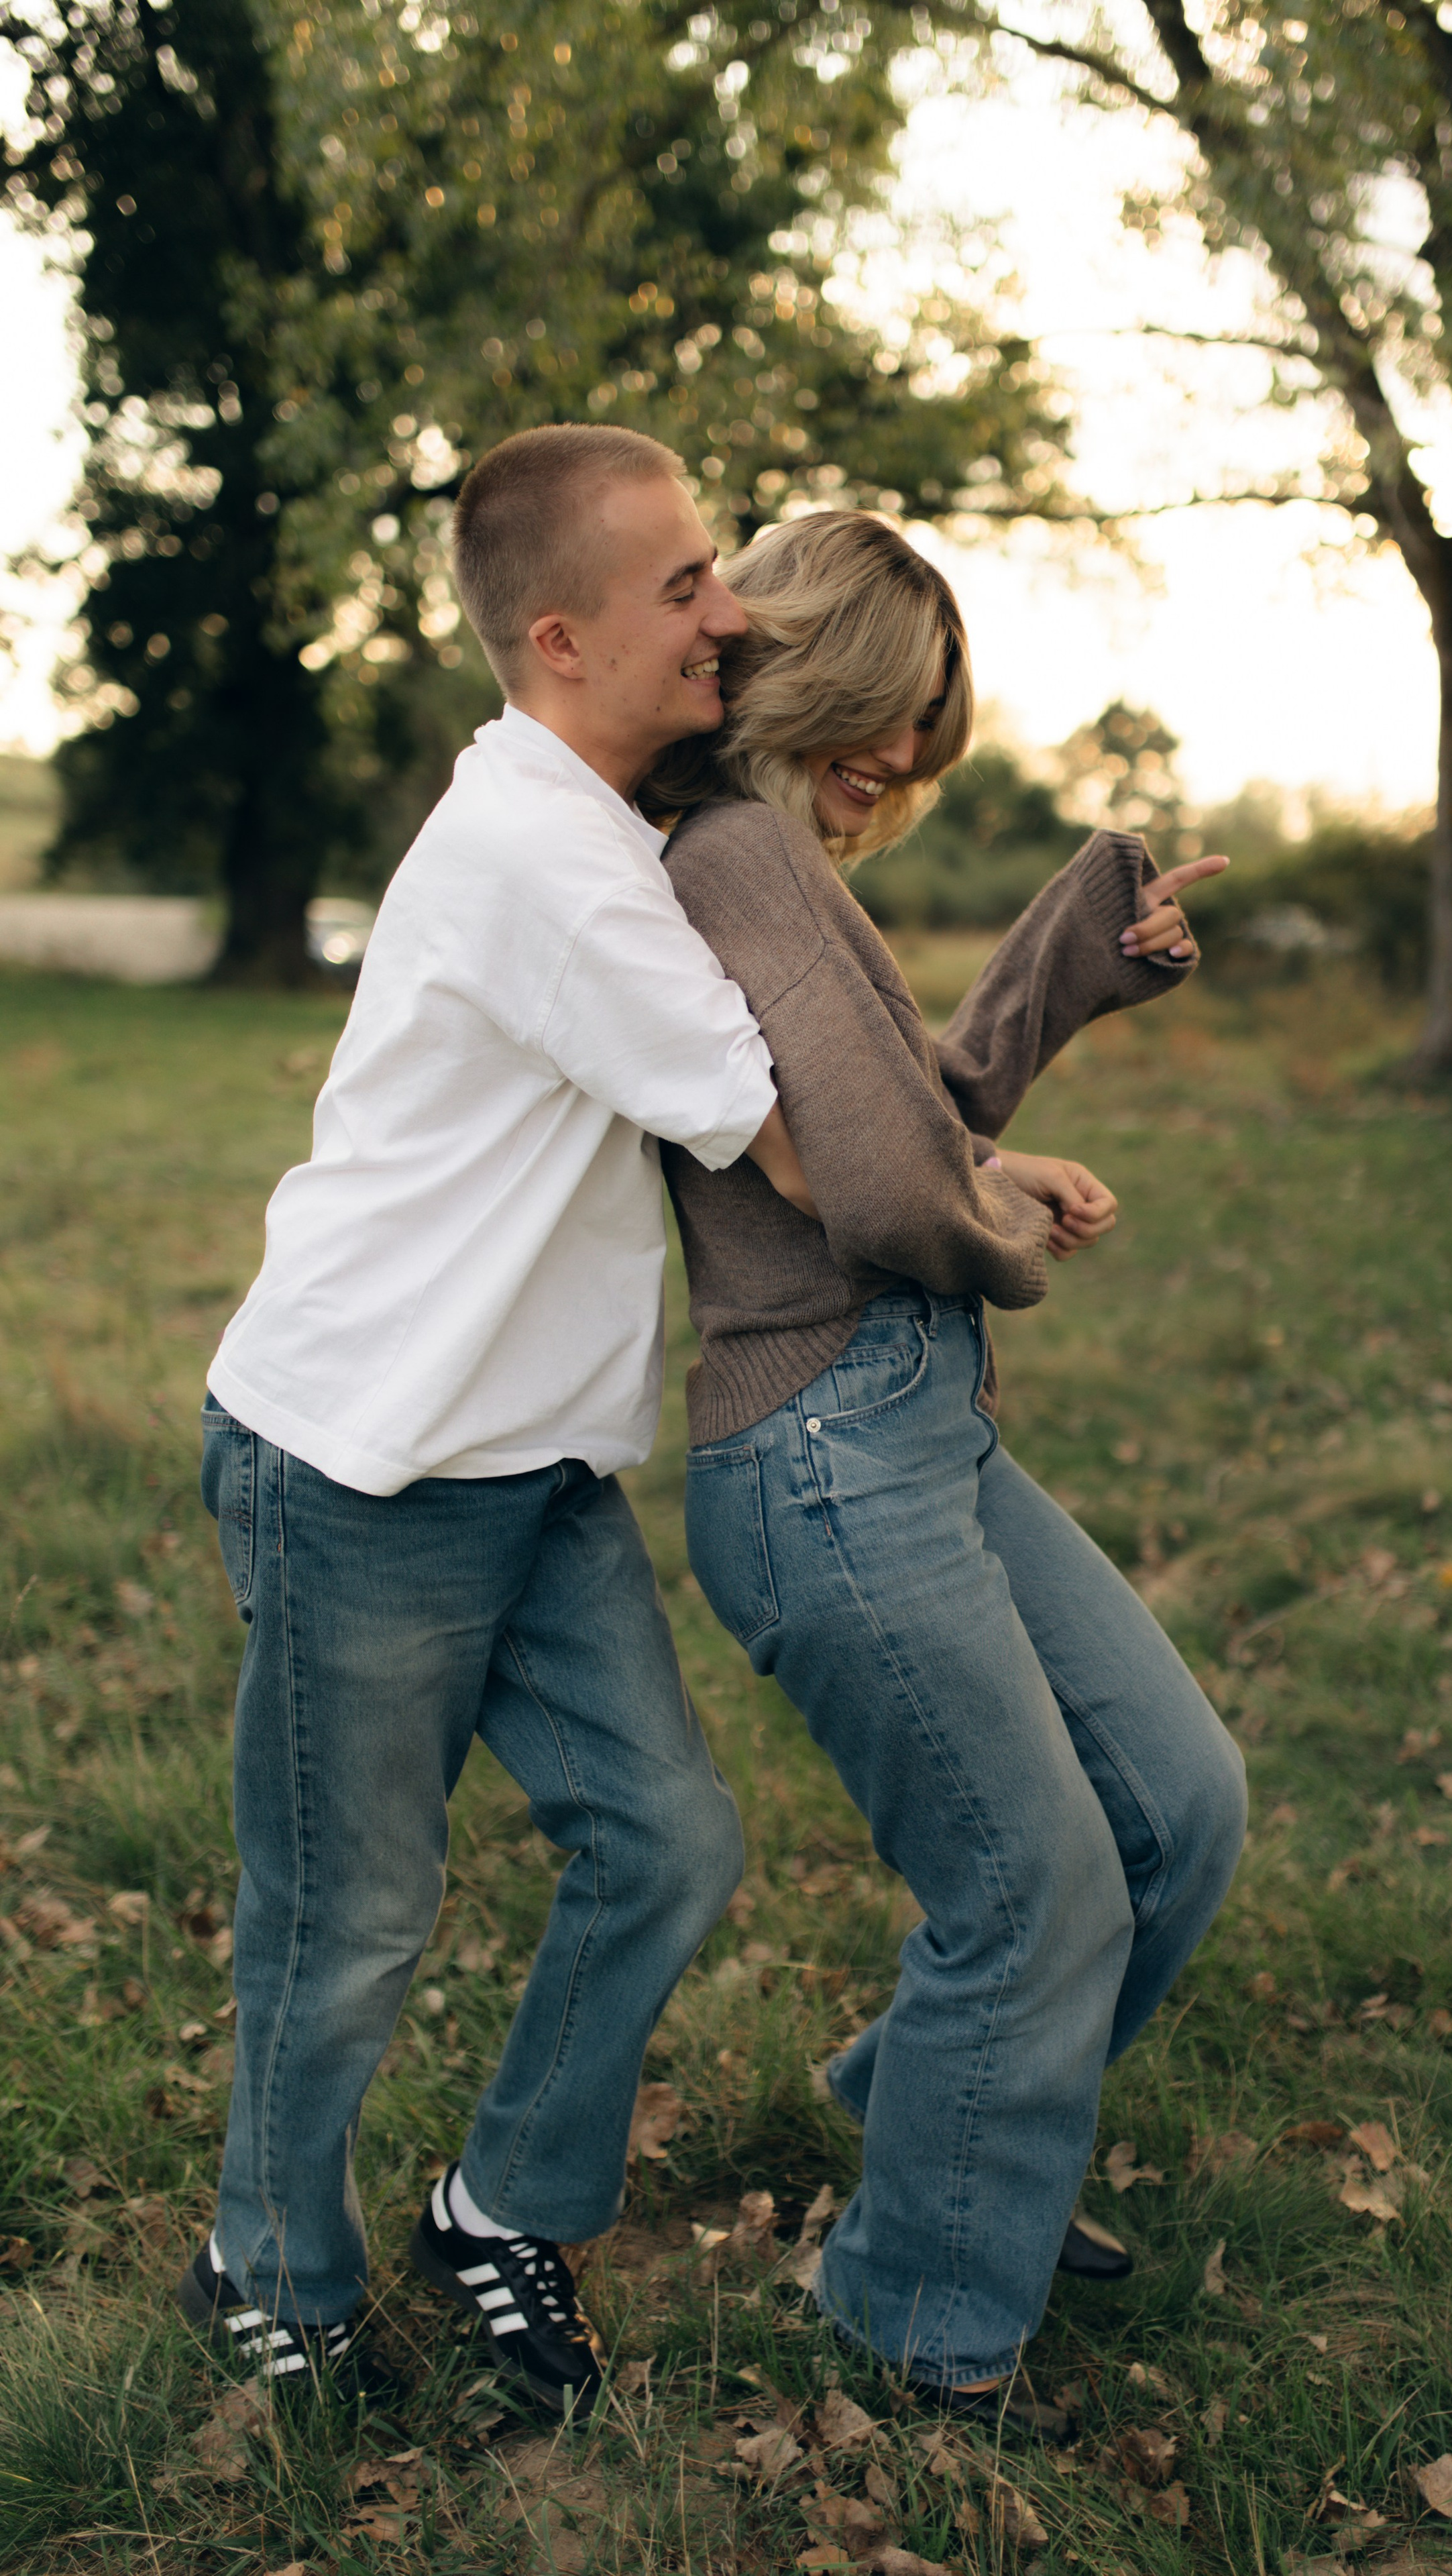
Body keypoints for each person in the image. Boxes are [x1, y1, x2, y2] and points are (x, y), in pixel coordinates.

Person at [180, 423, 818, 2414]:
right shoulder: (547, 862)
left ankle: (495, 2207)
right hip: (365, 1463)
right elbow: (803, 1140)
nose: (736, 614)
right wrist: (1005, 1138)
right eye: (689, 589)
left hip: (526, 1471)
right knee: (351, 1918)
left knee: (673, 1840)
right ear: (560, 639)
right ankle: (263, 2269)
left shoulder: (592, 824)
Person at [643, 511, 1247, 2424]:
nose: (903, 757)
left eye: (930, 726)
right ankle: (922, 2332)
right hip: (823, 1447)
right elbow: (904, 1183)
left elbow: (916, 1107)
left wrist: (1079, 954)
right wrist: (998, 1229)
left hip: (906, 1427)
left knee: (1177, 1804)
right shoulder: (738, 858)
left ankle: (952, 2135)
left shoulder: (787, 873)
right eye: (889, 710)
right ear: (798, 668)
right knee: (1045, 1884)